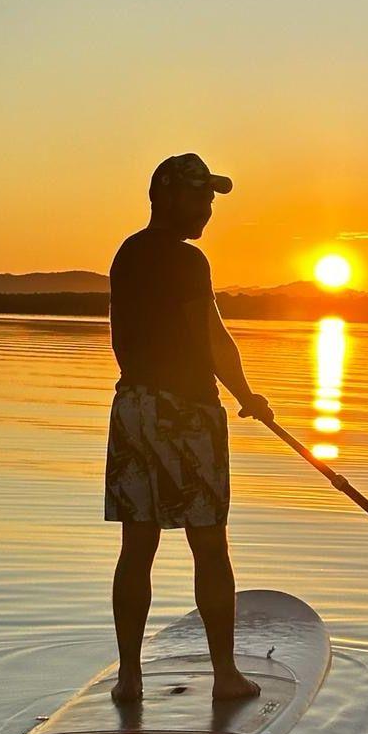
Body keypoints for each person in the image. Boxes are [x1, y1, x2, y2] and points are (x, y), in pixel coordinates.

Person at [105, 153, 275, 703]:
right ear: (167, 196)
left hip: (132, 405)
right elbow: (211, 338)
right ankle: (225, 676)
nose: (207, 208)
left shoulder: (127, 254)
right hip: (186, 412)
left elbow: (123, 340)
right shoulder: (188, 261)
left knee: (138, 546)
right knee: (209, 545)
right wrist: (249, 397)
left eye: (210, 197)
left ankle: (130, 679)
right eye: (200, 196)